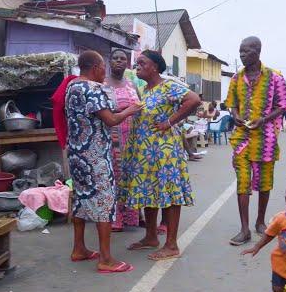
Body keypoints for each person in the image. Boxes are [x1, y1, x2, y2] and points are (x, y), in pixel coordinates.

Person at [65, 50, 143, 273]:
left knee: (80, 199)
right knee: (105, 203)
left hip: (77, 154)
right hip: (96, 155)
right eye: (103, 67)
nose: (105, 72)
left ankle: (79, 248)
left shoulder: (72, 87)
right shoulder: (94, 88)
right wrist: (131, 109)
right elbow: (110, 120)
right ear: (95, 67)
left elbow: (91, 113)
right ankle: (106, 259)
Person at [119, 50, 201, 260]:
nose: (137, 66)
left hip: (165, 152)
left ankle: (172, 245)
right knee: (149, 191)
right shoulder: (145, 90)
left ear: (154, 67)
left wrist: (170, 121)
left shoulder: (168, 86)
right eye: (136, 63)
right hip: (146, 153)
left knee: (171, 193)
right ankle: (151, 237)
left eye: (142, 63)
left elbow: (193, 100)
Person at [225, 36, 286, 245]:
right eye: (240, 51)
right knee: (243, 182)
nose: (242, 55)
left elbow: (283, 105)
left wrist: (265, 119)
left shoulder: (275, 78)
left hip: (266, 138)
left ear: (258, 51)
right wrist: (235, 114)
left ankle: (260, 221)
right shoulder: (236, 78)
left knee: (264, 183)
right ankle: (244, 229)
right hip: (242, 137)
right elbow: (232, 103)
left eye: (246, 51)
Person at [104, 49, 141, 233]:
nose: (119, 61)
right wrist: (125, 110)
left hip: (131, 139)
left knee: (131, 177)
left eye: (123, 59)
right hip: (110, 139)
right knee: (114, 178)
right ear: (109, 61)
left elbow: (140, 106)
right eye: (115, 58)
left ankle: (132, 216)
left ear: (127, 63)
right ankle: (115, 217)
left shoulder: (132, 84)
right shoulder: (102, 84)